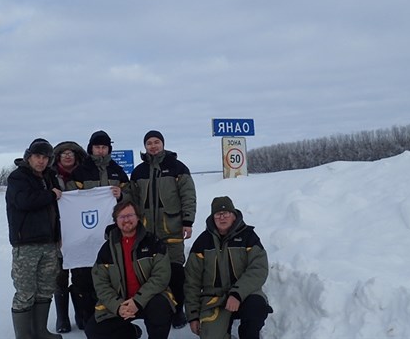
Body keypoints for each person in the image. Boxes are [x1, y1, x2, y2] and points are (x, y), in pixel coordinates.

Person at [130, 130, 196, 329]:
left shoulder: (177, 167)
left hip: (172, 230)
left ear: (163, 144)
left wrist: (188, 221)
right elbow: (131, 199)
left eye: (156, 142)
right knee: (151, 274)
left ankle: (178, 312)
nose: (153, 146)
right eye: (149, 143)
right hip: (147, 232)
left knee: (176, 272)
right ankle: (156, 310)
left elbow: (188, 196)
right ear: (145, 146)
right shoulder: (139, 171)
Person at [66, 130, 131, 329]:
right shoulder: (80, 171)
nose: (101, 151)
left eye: (104, 147)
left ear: (109, 149)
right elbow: (70, 199)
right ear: (91, 148)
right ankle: (83, 314)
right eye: (97, 147)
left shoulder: (117, 171)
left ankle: (107, 313)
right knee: (82, 276)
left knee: (108, 274)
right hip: (85, 233)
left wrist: (121, 195)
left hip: (111, 233)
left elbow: (130, 198)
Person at [184, 196, 272, 339]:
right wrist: (193, 316)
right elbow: (191, 281)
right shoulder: (202, 242)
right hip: (215, 301)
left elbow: (259, 268)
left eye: (226, 213)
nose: (222, 217)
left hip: (245, 296)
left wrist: (237, 293)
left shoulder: (248, 236)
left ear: (234, 215)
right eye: (218, 214)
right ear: (213, 217)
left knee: (256, 307)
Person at [85, 200, 174, 339]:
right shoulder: (107, 249)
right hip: (121, 303)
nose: (126, 220)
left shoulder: (153, 242)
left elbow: (161, 277)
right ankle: (131, 333)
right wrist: (118, 306)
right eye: (122, 217)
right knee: (94, 330)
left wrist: (137, 301)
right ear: (116, 220)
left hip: (148, 300)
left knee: (160, 307)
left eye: (130, 215)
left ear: (138, 217)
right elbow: (101, 284)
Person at [6, 138, 63, 339]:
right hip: (26, 244)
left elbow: (58, 209)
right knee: (25, 292)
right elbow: (24, 201)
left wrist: (58, 236)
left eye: (46, 158)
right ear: (29, 157)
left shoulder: (50, 177)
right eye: (38, 156)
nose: (41, 161)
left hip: (49, 244)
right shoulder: (18, 178)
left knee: (45, 288)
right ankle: (25, 336)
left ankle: (40, 331)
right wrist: (50, 194)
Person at [51, 141, 88, 333]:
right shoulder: (49, 177)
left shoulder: (85, 173)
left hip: (80, 231)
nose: (67, 156)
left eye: (71, 153)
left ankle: (81, 314)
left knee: (81, 274)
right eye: (63, 153)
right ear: (57, 157)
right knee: (60, 275)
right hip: (57, 231)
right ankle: (62, 318)